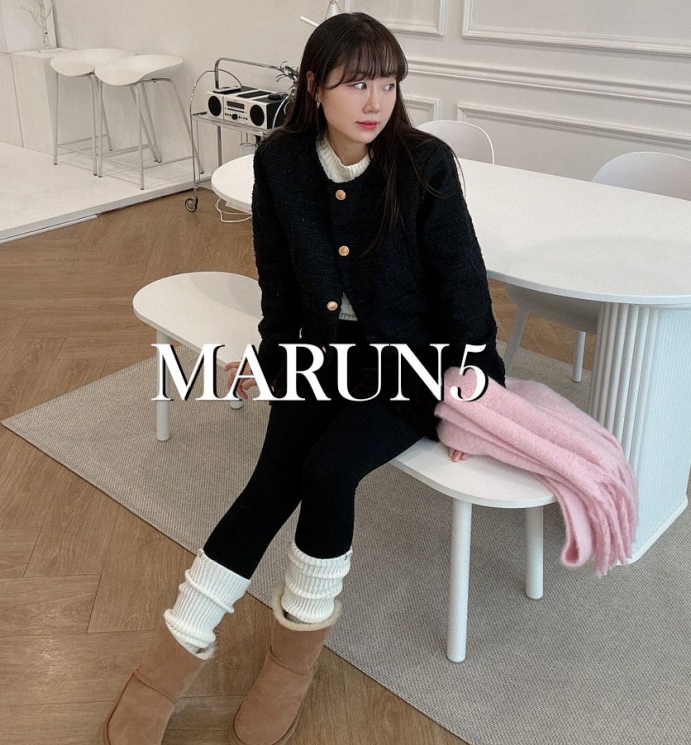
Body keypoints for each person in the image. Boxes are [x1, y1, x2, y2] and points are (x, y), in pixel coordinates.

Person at [101, 11, 505, 745]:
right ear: (315, 86)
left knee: (327, 472)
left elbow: (464, 292)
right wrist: (271, 358)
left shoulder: (424, 164)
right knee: (267, 485)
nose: (375, 101)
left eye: (387, 83)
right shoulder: (281, 162)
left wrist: (473, 396)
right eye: (357, 84)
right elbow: (281, 287)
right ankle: (164, 667)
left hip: (408, 369)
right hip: (317, 355)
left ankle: (289, 667)